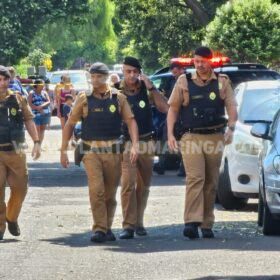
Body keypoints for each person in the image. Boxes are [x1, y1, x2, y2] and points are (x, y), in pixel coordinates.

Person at [60, 62, 138, 243]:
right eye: (92, 76)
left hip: (113, 151)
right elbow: (70, 124)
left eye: (99, 76)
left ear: (106, 76)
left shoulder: (118, 98)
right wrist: (63, 150)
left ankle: (107, 227)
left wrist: (134, 145)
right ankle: (99, 229)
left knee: (109, 194)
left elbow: (131, 121)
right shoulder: (83, 98)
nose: (95, 80)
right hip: (91, 152)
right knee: (97, 190)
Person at [167, 47, 238, 239]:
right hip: (191, 136)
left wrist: (231, 128)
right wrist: (170, 134)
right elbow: (173, 109)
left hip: (215, 136)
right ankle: (191, 222)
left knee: (211, 181)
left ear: (210, 61)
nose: (199, 65)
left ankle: (207, 224)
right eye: (196, 61)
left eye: (203, 61)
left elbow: (231, 107)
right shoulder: (184, 81)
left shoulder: (222, 82)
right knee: (195, 178)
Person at [115, 56, 168, 239]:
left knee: (143, 185)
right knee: (128, 184)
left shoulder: (147, 89)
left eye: (135, 72)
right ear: (123, 71)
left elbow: (164, 108)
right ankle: (128, 225)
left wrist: (151, 87)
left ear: (140, 72)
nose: (131, 75)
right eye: (128, 71)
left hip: (147, 141)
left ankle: (139, 222)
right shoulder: (115, 91)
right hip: (126, 143)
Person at [0, 65, 41, 241]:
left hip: (16, 150)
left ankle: (11, 217)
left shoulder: (18, 98)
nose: (1, 83)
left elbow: (29, 120)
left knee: (20, 189)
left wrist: (37, 142)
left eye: (4, 79)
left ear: (9, 80)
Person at [154, 62, 186, 176]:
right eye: (173, 73)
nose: (174, 75)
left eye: (176, 72)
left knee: (184, 142)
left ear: (182, 70)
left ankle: (184, 167)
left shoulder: (188, 80)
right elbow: (165, 93)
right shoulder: (172, 80)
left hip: (185, 116)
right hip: (172, 115)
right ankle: (162, 164)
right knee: (165, 137)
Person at [27, 79, 51, 146]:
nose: (43, 85)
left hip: (45, 114)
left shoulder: (44, 93)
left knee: (42, 130)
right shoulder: (31, 93)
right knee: (37, 130)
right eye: (41, 84)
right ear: (37, 85)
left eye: (43, 84)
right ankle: (36, 145)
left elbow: (48, 101)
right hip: (36, 115)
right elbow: (29, 104)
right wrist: (38, 108)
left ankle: (39, 145)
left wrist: (41, 106)